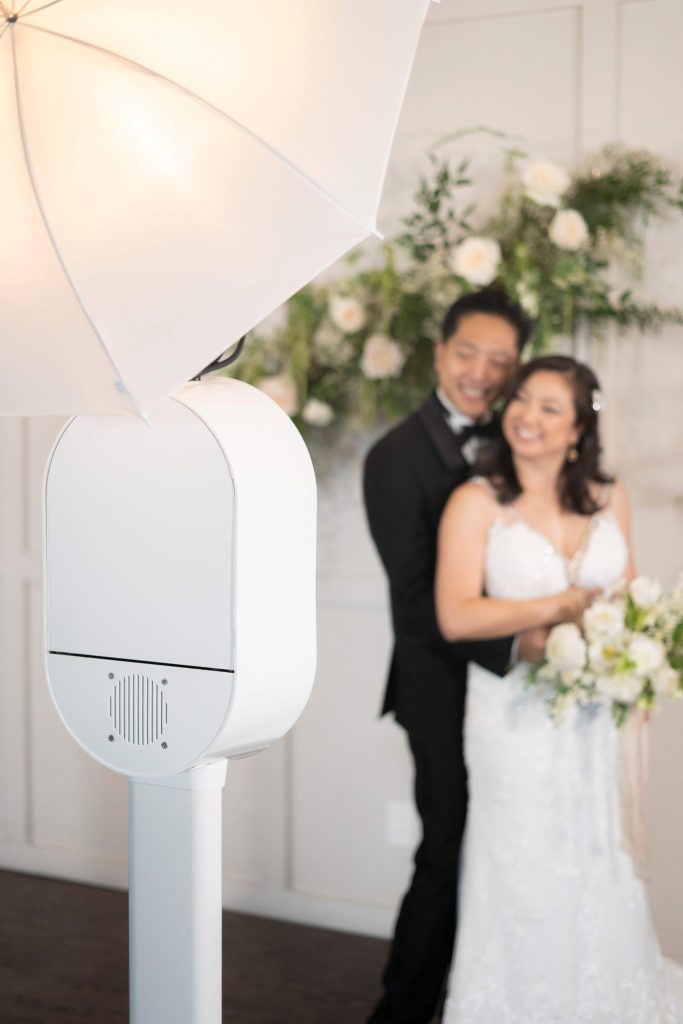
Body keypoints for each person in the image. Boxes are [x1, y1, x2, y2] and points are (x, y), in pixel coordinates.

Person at [436, 354, 683, 1023]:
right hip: (512, 720)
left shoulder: (608, 494)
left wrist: (635, 662)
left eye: (549, 408)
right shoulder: (475, 501)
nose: (527, 416)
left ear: (577, 428)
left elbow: (628, 598)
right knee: (521, 864)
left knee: (597, 854)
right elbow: (456, 613)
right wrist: (561, 608)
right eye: (520, 400)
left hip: (597, 716)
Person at [363, 290, 586, 1024]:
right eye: (468, 354)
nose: (482, 374)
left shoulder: (514, 434)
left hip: (518, 694)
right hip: (439, 688)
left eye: (500, 362)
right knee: (447, 852)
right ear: (439, 352)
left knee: (510, 855)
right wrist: (525, 640)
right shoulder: (394, 458)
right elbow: (420, 603)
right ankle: (403, 1010)